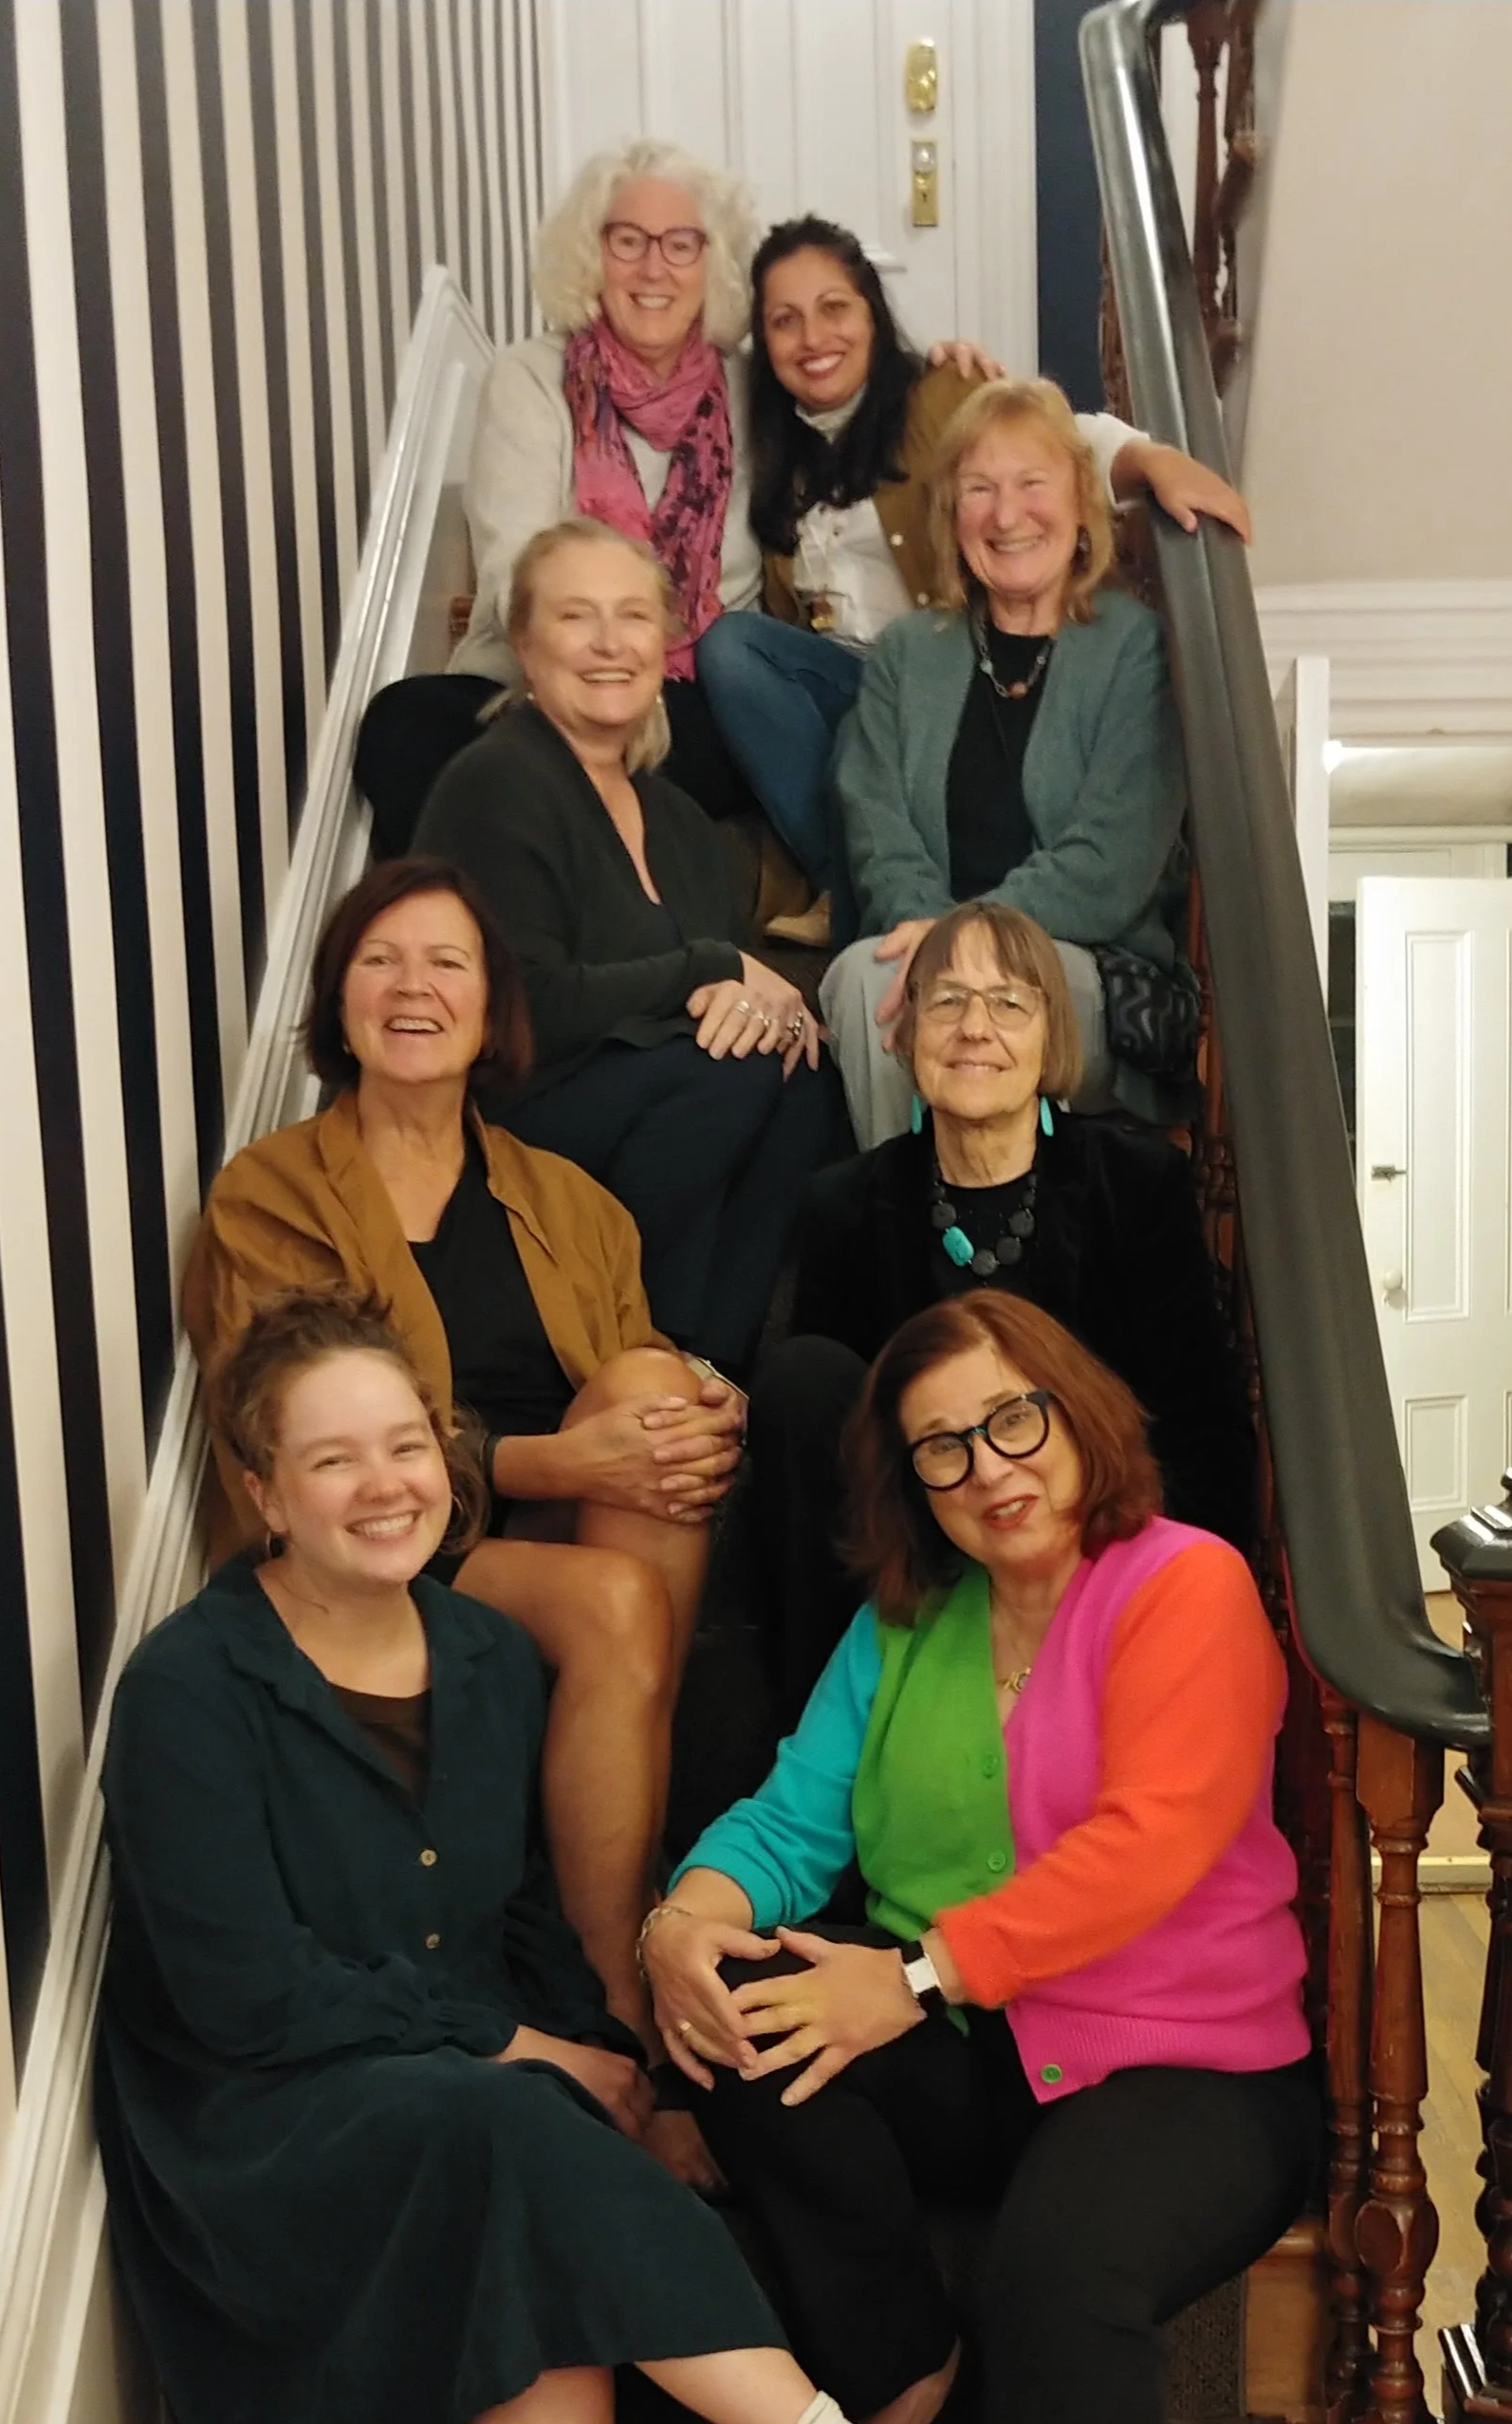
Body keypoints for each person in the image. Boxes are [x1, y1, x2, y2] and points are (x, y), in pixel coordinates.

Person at [95, 1289, 1101, 2424]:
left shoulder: (491, 1657)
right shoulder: (190, 1686)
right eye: (332, 1460)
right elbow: (246, 2000)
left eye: (406, 1444)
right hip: (267, 2151)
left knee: (541, 2208)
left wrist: (606, 2071)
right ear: (260, 1489)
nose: (384, 1483)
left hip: (466, 2124)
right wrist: (519, 2055)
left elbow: (513, 1935)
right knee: (517, 2123)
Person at [641, 1289, 1319, 2424]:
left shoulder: (1182, 1583)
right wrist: (684, 1918)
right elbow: (791, 1815)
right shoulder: (906, 1623)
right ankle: (903, 2364)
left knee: (1058, 2271)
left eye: (1013, 1419)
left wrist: (920, 1972)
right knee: (743, 2020)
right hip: (980, 2038)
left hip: (1186, 2057)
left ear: (1075, 1413)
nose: (988, 1467)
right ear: (909, 1483)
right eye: (941, 1447)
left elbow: (1150, 1841)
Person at [183, 857, 744, 2148]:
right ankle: (621, 2005)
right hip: (380, 1540)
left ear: (494, 1007)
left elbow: (635, 1374)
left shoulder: (568, 1202)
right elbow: (300, 1422)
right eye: (379, 961)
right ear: (338, 1001)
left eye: (448, 962)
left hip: (552, 1536)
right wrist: (557, 1466)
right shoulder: (273, 1192)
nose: (413, 987)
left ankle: (613, 1868)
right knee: (615, 1601)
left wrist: (704, 1402)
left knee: (655, 1383)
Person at [750, 898, 1256, 1717]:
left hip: (1089, 1546)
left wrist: (1174, 1592)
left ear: (1051, 1037)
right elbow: (832, 1446)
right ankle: (840, 1722)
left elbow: (1202, 1425)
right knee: (799, 1377)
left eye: (1008, 1003)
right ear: (906, 1034)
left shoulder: (1133, 1185)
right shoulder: (844, 1203)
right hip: (924, 1543)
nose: (974, 1029)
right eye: (946, 1000)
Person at [697, 217, 1248, 953]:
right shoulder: (765, 444)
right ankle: (843, 881)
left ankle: (888, 906)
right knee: (732, 649)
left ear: (871, 312)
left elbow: (1047, 445)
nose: (812, 337)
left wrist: (1149, 461)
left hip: (938, 670)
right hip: (846, 685)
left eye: (833, 308)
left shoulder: (939, 393)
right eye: (784, 321)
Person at [414, 521, 847, 1375]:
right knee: (726, 1070)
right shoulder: (497, 780)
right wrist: (710, 970)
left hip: (654, 1111)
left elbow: (734, 1004)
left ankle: (710, 1374)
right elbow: (524, 1002)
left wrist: (778, 1015)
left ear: (663, 642)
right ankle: (631, 1350)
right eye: (576, 616)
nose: (610, 643)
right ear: (525, 646)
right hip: (507, 1118)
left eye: (633, 616)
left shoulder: (679, 819)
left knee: (796, 1076)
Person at [357, 139, 763, 845]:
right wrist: (587, 677)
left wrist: (947, 371)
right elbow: (513, 570)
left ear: (714, 264)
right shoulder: (528, 378)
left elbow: (856, 397)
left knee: (719, 745)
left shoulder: (755, 392)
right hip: (528, 682)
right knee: (404, 726)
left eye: (680, 245)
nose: (653, 268)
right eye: (627, 241)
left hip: (683, 695)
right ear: (590, 255)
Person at [824, 376, 1195, 1146]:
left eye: (1032, 483)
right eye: (978, 489)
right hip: (923, 956)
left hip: (1076, 964)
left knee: (978, 1001)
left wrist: (965, 944)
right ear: (950, 515)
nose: (1005, 514)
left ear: (1081, 503)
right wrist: (940, 949)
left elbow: (1111, 860)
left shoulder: (1134, 649)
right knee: (866, 979)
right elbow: (875, 829)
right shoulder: (903, 655)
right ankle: (912, 1221)